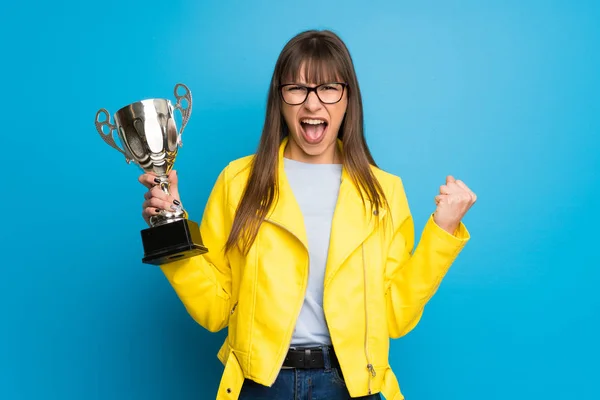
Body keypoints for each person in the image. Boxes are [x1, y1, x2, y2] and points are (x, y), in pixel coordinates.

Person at [138, 29, 476, 400]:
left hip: (350, 386)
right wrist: (170, 228)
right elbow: (215, 309)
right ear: (279, 99)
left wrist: (443, 231)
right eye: (297, 88)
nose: (313, 104)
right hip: (261, 385)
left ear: (348, 98)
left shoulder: (383, 192)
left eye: (329, 87)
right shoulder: (239, 182)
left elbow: (394, 315)